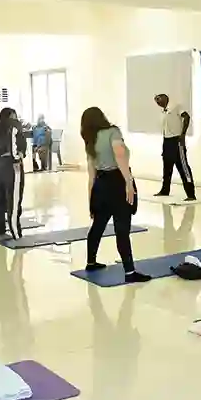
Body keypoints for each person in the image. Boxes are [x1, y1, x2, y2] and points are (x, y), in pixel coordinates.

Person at [80, 107, 150, 283]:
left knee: (97, 226)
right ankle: (129, 272)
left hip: (101, 186)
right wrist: (128, 182)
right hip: (118, 182)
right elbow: (119, 155)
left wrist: (91, 201)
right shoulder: (112, 131)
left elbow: (91, 176)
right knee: (122, 228)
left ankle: (91, 261)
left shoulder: (90, 140)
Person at [153, 94, 196, 201]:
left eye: (159, 99)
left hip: (176, 140)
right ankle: (165, 190)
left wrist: (183, 134)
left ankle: (191, 194)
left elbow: (186, 117)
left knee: (183, 166)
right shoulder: (163, 111)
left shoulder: (176, 106)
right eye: (156, 101)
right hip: (166, 141)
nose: (157, 102)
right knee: (167, 167)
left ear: (165, 98)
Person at [0, 107, 26, 240]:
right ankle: (16, 233)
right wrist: (17, 157)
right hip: (12, 167)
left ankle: (0, 229)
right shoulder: (14, 126)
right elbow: (14, 148)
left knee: (0, 200)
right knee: (14, 200)